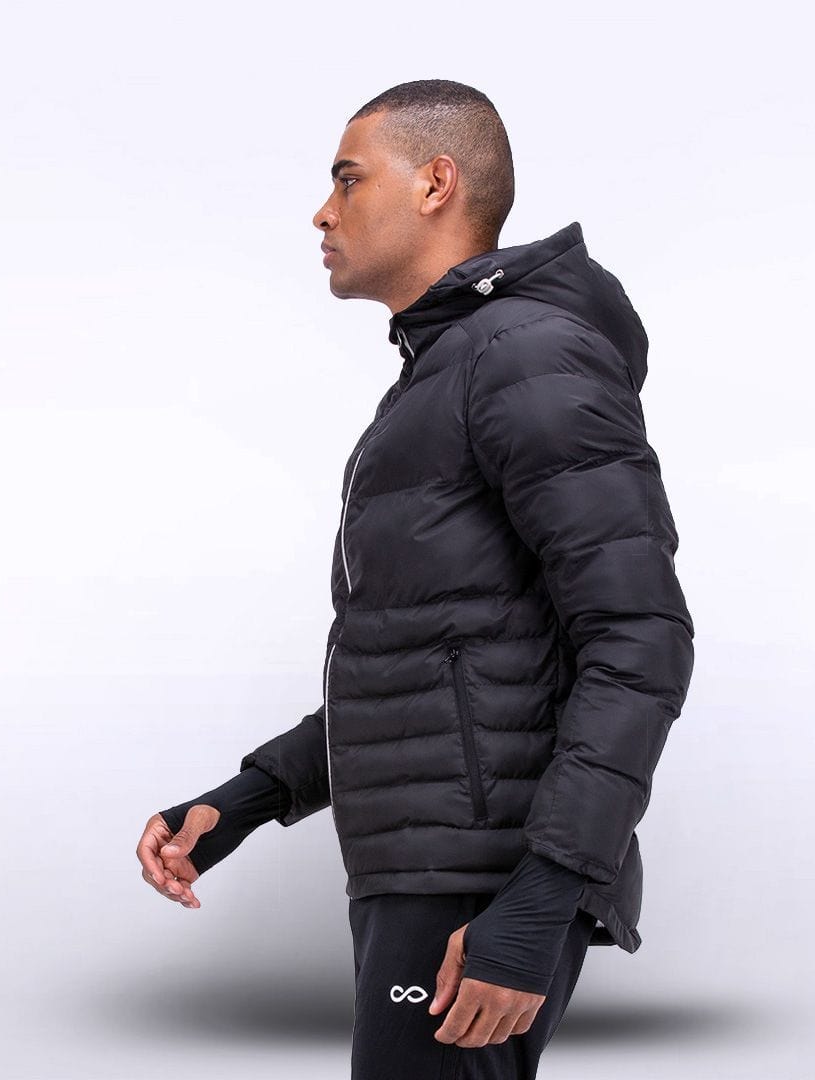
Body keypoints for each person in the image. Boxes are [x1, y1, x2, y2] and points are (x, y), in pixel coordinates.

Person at [136, 79, 695, 1080]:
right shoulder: (451, 372)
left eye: (348, 180)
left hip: (481, 884)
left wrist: (540, 899)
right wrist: (249, 799)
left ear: (436, 183)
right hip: (431, 869)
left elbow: (640, 639)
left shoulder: (524, 358)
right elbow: (439, 664)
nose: (322, 212)